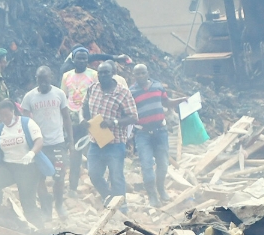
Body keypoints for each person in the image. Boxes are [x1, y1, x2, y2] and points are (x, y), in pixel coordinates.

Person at [0, 99, 47, 230]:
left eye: (6, 115)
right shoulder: (1, 129)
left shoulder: (27, 123)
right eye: (1, 115)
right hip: (8, 167)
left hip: (27, 168)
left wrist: (31, 153)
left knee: (28, 204)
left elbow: (39, 140)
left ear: (13, 111)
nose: (4, 118)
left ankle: (41, 231)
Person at [83, 61, 138, 209]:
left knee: (116, 177)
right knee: (93, 174)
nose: (103, 76)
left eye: (106, 72)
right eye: (100, 73)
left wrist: (113, 122)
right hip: (96, 141)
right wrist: (86, 121)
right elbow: (85, 106)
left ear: (113, 73)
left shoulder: (123, 93)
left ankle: (122, 209)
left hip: (115, 143)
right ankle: (108, 197)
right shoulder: (93, 89)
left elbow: (133, 117)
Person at [22, 65, 73, 220]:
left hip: (58, 143)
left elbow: (66, 117)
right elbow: (24, 123)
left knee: (59, 177)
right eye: (39, 79)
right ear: (36, 79)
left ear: (51, 77)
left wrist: (70, 141)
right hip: (39, 146)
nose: (43, 82)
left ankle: (59, 205)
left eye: (45, 78)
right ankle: (46, 209)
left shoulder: (59, 94)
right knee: (39, 179)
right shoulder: (29, 97)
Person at [129, 64, 185, 207]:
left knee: (163, 164)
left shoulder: (158, 87)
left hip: (161, 131)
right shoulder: (131, 92)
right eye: (137, 74)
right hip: (143, 133)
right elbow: (128, 112)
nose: (140, 76)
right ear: (133, 75)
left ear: (148, 73)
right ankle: (152, 195)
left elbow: (167, 102)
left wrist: (181, 100)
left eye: (143, 73)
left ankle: (161, 189)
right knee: (147, 165)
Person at [60, 47, 97, 198]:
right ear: (73, 59)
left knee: (94, 153)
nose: (81, 61)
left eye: (84, 58)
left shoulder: (93, 74)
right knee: (75, 155)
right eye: (78, 58)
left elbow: (97, 95)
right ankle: (73, 188)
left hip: (89, 119)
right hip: (72, 121)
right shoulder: (66, 76)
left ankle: (98, 184)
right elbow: (63, 98)